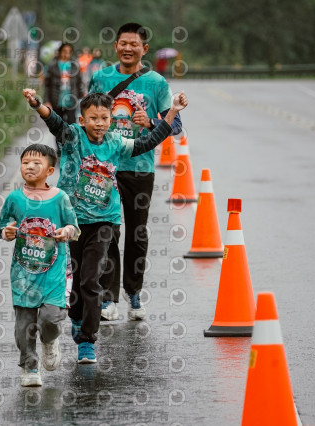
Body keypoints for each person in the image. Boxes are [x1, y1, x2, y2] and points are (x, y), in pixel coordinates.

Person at [23, 87, 188, 363]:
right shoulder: (73, 137)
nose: (99, 123)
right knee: (75, 280)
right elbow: (55, 122)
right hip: (72, 223)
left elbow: (146, 143)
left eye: (104, 118)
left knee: (91, 279)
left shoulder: (115, 142)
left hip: (104, 222)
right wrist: (37, 104)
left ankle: (87, 341)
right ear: (82, 119)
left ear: (111, 119)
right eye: (93, 118)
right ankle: (76, 319)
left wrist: (171, 112)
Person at [89, 22, 183, 322]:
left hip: (140, 169)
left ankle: (133, 292)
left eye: (134, 44)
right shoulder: (101, 78)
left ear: (144, 48)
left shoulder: (155, 83)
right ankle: (107, 297)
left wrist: (151, 122)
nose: (128, 48)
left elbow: (176, 125)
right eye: (123, 43)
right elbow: (87, 118)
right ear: (115, 46)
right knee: (108, 232)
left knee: (137, 233)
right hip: (105, 169)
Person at [0, 144, 80, 387]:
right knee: (24, 324)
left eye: (36, 163)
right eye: (25, 163)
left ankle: (50, 341)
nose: (30, 167)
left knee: (51, 318)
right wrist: (6, 232)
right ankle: (30, 366)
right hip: (23, 272)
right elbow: (2, 227)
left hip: (55, 271)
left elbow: (74, 228)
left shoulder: (60, 198)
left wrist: (66, 231)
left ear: (50, 170)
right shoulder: (14, 198)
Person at [44, 43, 84, 125]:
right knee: (58, 126)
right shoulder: (53, 66)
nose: (66, 53)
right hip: (56, 100)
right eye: (64, 51)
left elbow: (79, 82)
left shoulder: (74, 66)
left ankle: (69, 138)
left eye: (69, 51)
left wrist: (82, 95)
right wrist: (47, 101)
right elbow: (47, 85)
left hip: (71, 100)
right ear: (60, 52)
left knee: (71, 126)